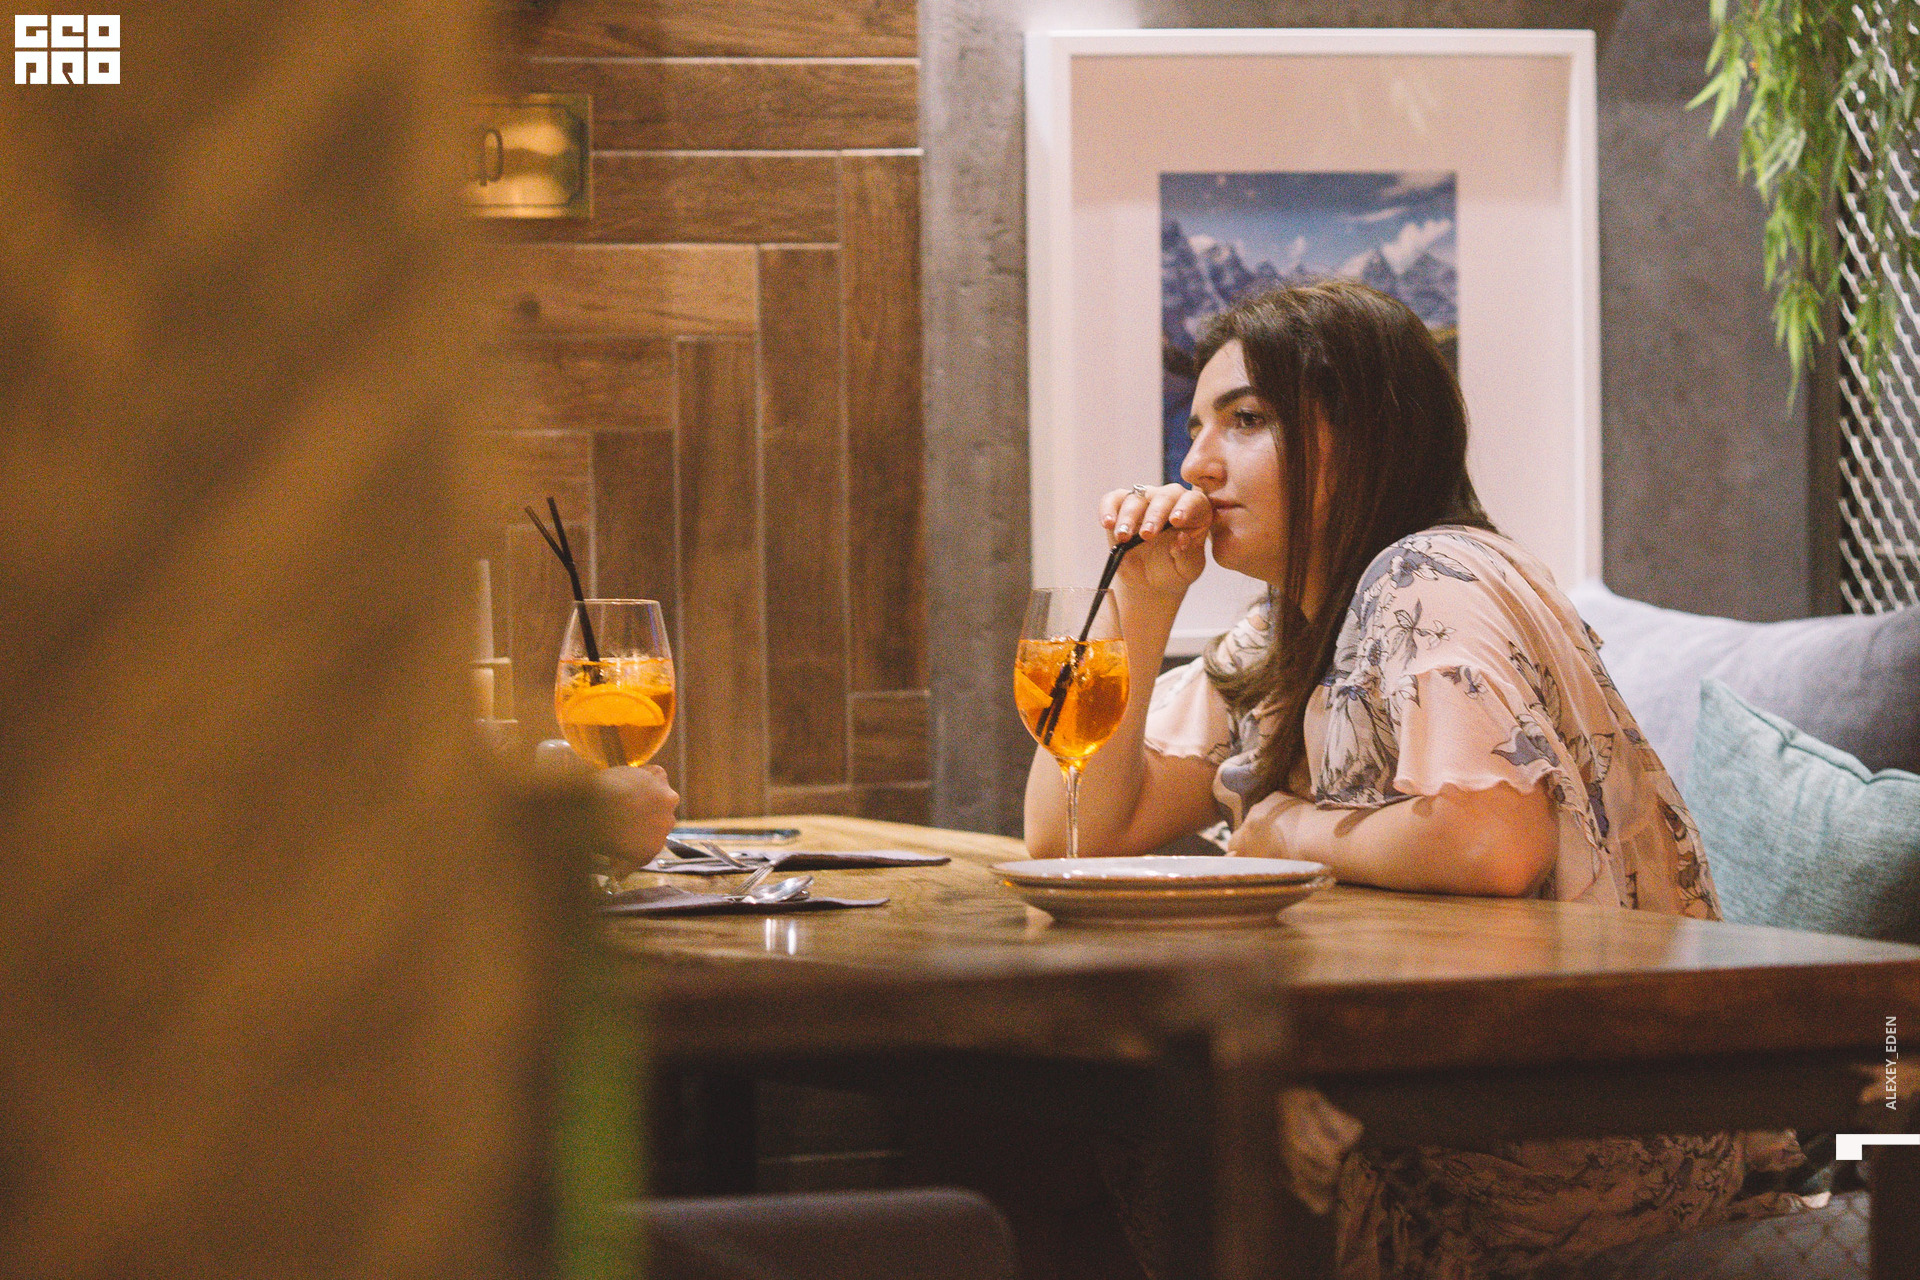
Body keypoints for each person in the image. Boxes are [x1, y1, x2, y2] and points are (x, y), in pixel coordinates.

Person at [1024, 282, 1808, 1276]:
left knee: (1135, 1120)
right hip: (1452, 1099)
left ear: (1366, 433)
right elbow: (1074, 834)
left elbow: (1489, 840)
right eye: (1195, 428)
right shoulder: (1284, 630)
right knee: (1110, 1109)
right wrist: (1142, 603)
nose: (1195, 464)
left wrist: (1281, 830)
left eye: (1247, 420)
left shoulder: (1431, 575)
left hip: (1577, 1136)